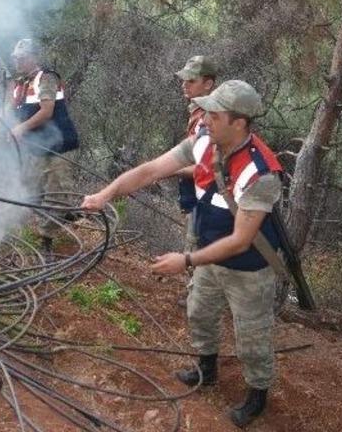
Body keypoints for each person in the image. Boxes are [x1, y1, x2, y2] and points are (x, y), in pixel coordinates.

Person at [81, 80, 282, 427]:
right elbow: (150, 170)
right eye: (205, 112)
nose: (204, 120)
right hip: (209, 257)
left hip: (248, 269)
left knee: (251, 336)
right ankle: (206, 369)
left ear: (239, 123)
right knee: (199, 314)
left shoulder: (261, 173)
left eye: (214, 115)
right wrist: (104, 195)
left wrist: (185, 260)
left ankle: (256, 395)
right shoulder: (204, 141)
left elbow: (240, 241)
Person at [10, 38, 79, 251]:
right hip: (37, 147)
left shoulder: (46, 78)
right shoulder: (21, 84)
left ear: (33, 58)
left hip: (60, 146)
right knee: (31, 191)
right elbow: (13, 114)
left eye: (22, 58)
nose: (18, 62)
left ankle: (46, 241)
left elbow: (46, 111)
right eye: (16, 58)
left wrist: (21, 129)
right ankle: (63, 214)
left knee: (56, 193)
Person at [174, 56, 217, 306]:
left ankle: (196, 297)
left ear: (208, 84)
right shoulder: (198, 111)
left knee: (196, 240)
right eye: (184, 80)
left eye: (191, 80)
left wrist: (174, 170)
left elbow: (207, 167)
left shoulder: (210, 116)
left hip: (208, 194)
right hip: (199, 192)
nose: (184, 85)